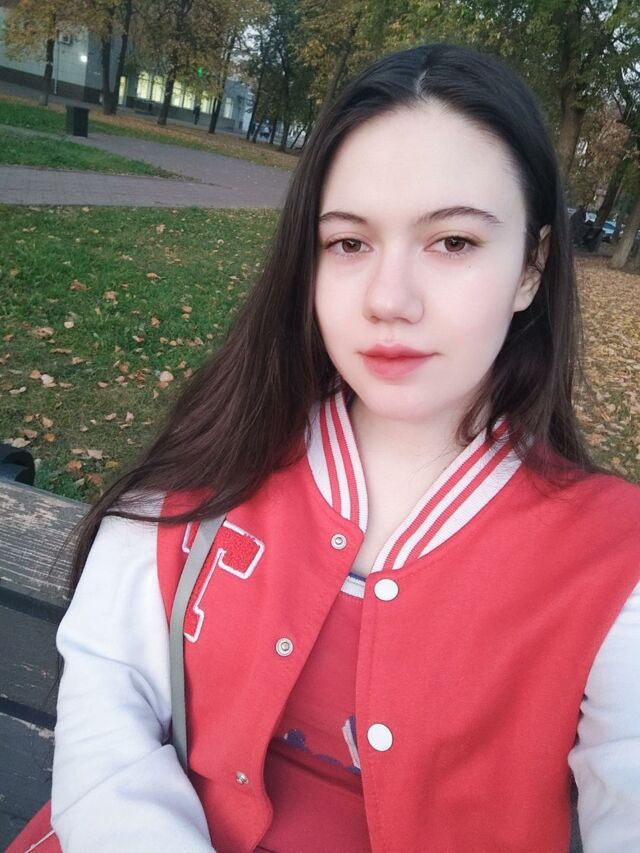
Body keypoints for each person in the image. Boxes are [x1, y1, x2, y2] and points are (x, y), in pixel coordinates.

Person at [22, 43, 640, 852]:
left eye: (453, 242)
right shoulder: (221, 451)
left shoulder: (615, 563)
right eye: (349, 243)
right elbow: (108, 704)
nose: (390, 299)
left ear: (531, 267)